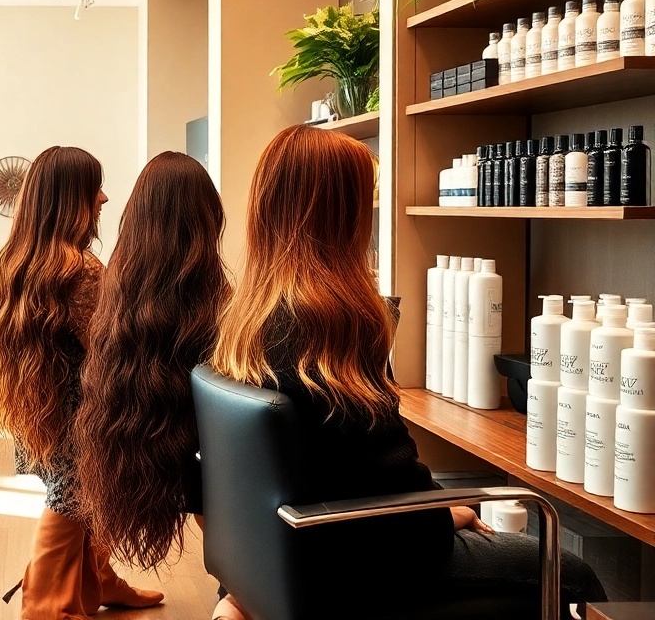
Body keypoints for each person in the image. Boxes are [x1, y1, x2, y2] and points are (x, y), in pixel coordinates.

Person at [209, 126, 604, 619]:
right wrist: (446, 514)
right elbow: (383, 475)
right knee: (572, 572)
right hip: (370, 556)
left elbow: (342, 467)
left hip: (284, 552)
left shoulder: (248, 316)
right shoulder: (334, 327)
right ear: (340, 216)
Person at [0, 145, 161, 620]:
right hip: (77, 418)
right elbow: (108, 350)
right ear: (69, 199)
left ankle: (98, 580)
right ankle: (43, 607)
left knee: (87, 496)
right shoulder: (78, 270)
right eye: (93, 189)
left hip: (38, 409)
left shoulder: (19, 259)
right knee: (72, 497)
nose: (104, 198)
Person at [73, 151, 230, 573]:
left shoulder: (115, 289)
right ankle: (238, 587)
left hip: (132, 445)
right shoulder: (217, 305)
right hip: (201, 455)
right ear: (205, 219)